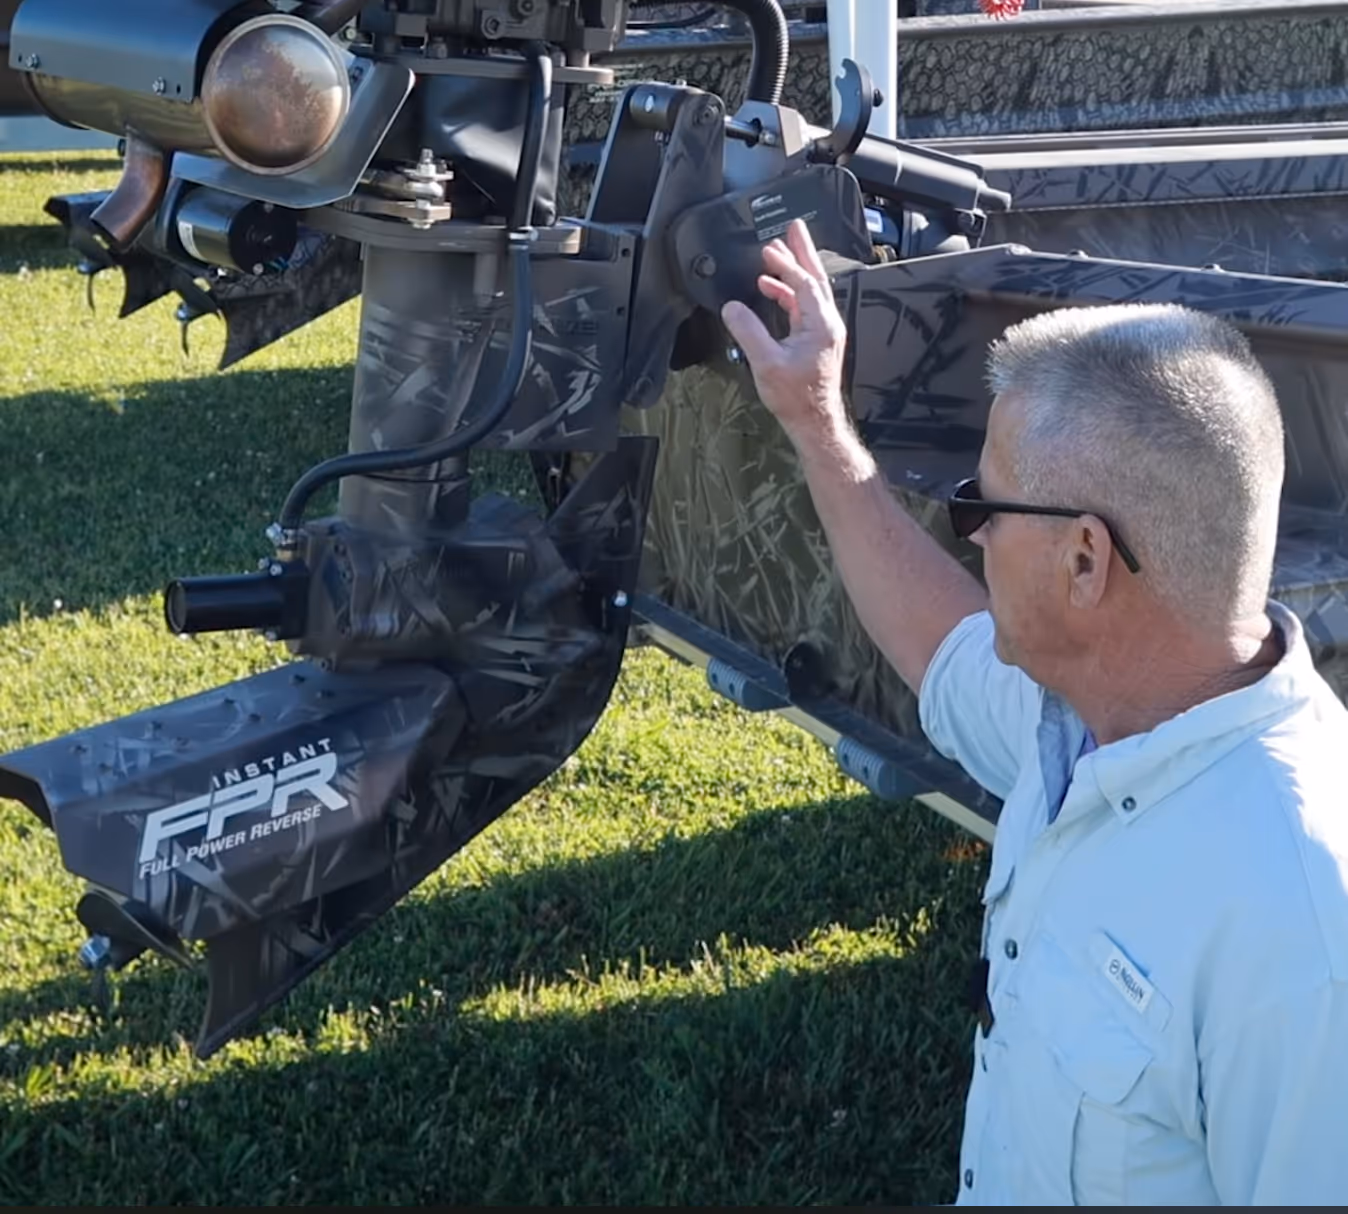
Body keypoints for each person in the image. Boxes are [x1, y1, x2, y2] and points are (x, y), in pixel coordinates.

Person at [721, 218, 1348, 1205]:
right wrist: (815, 418)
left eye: (982, 506)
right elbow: (938, 641)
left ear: (1084, 560)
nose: (966, 533)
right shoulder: (1085, 716)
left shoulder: (1302, 932)